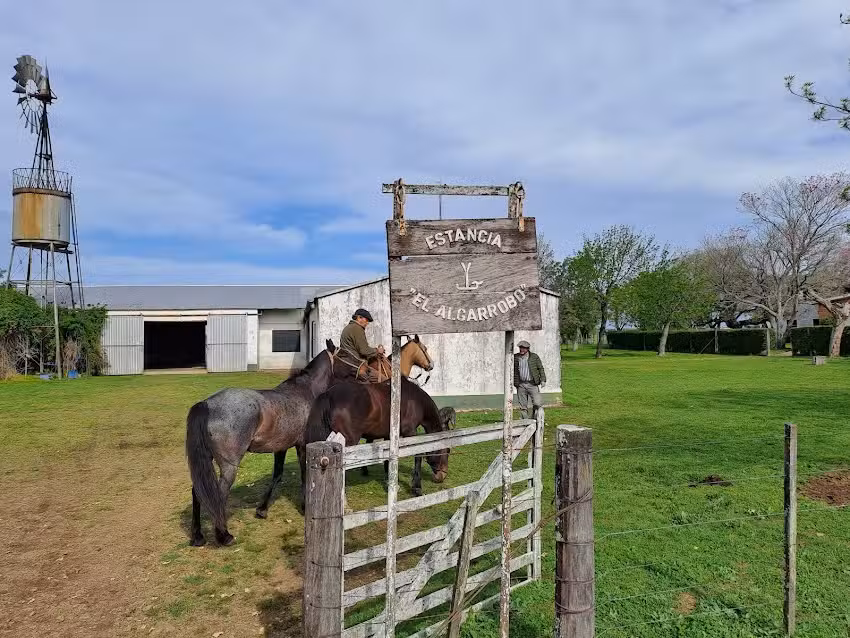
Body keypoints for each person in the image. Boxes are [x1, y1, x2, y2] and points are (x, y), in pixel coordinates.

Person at [337, 308, 386, 382]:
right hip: (356, 366)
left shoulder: (349, 328)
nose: (367, 323)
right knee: (384, 381)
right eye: (366, 320)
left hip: (348, 363)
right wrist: (377, 351)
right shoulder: (357, 328)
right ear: (359, 318)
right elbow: (364, 350)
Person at [513, 340, 546, 419]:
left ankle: (535, 418)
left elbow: (540, 368)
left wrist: (543, 380)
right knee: (523, 406)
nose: (521, 349)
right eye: (520, 348)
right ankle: (525, 422)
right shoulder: (515, 357)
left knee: (537, 403)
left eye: (524, 348)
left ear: (528, 349)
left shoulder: (534, 357)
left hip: (532, 384)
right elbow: (511, 369)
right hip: (521, 384)